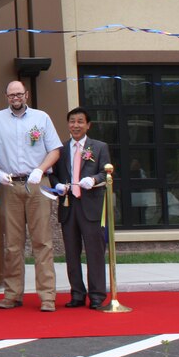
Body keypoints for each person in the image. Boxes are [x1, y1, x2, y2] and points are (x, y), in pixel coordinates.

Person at [0, 81, 62, 312]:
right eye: (11, 95)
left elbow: (55, 150)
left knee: (43, 243)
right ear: (6, 97)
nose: (15, 98)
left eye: (19, 94)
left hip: (37, 184)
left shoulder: (42, 117)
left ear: (26, 95)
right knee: (12, 245)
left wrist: (40, 169)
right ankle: (12, 294)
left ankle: (47, 296)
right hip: (10, 185)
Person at [52, 107, 111, 310]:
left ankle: (96, 295)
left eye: (80, 121)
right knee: (71, 252)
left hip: (91, 205)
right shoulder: (61, 149)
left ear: (88, 125)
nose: (75, 125)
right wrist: (58, 185)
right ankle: (77, 293)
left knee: (94, 252)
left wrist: (93, 179)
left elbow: (106, 173)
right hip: (69, 206)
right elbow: (54, 174)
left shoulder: (100, 147)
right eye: (72, 121)